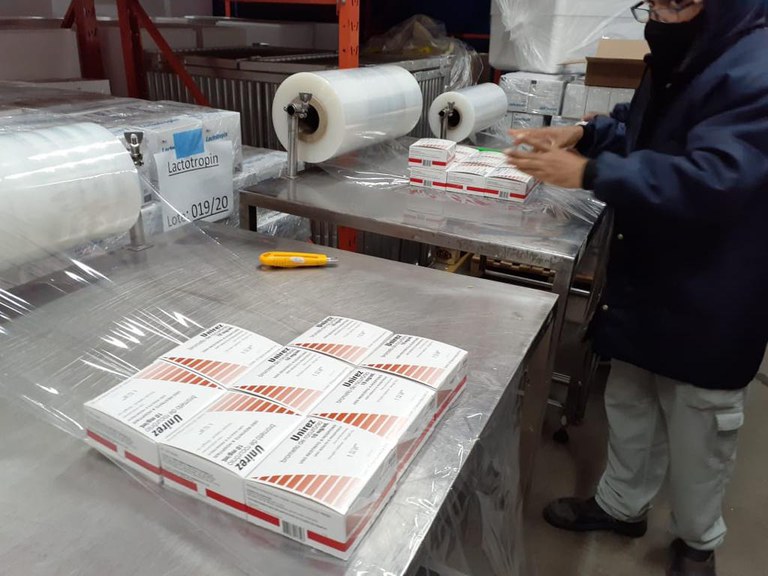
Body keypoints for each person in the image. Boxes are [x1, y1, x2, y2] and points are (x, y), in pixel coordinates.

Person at [505, 1, 768, 575]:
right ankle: (621, 505)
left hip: (713, 290)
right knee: (631, 400)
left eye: (679, 4)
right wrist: (584, 133)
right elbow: (644, 126)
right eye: (655, 4)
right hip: (649, 273)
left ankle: (697, 542)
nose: (662, 18)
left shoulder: (756, 68)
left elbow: (716, 180)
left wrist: (590, 172)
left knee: (700, 426)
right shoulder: (689, 51)